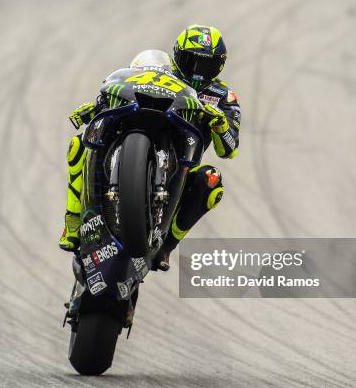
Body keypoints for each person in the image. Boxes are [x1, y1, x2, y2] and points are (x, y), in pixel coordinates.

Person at [59, 24, 241, 271]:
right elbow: (122, 88)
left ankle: (166, 247)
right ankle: (72, 218)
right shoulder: (160, 72)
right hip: (142, 137)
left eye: (206, 66)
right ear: (177, 56)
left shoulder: (223, 96)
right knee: (80, 143)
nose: (197, 73)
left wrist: (220, 124)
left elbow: (229, 149)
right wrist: (98, 105)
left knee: (211, 180)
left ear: (218, 67)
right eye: (191, 61)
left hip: (182, 165)